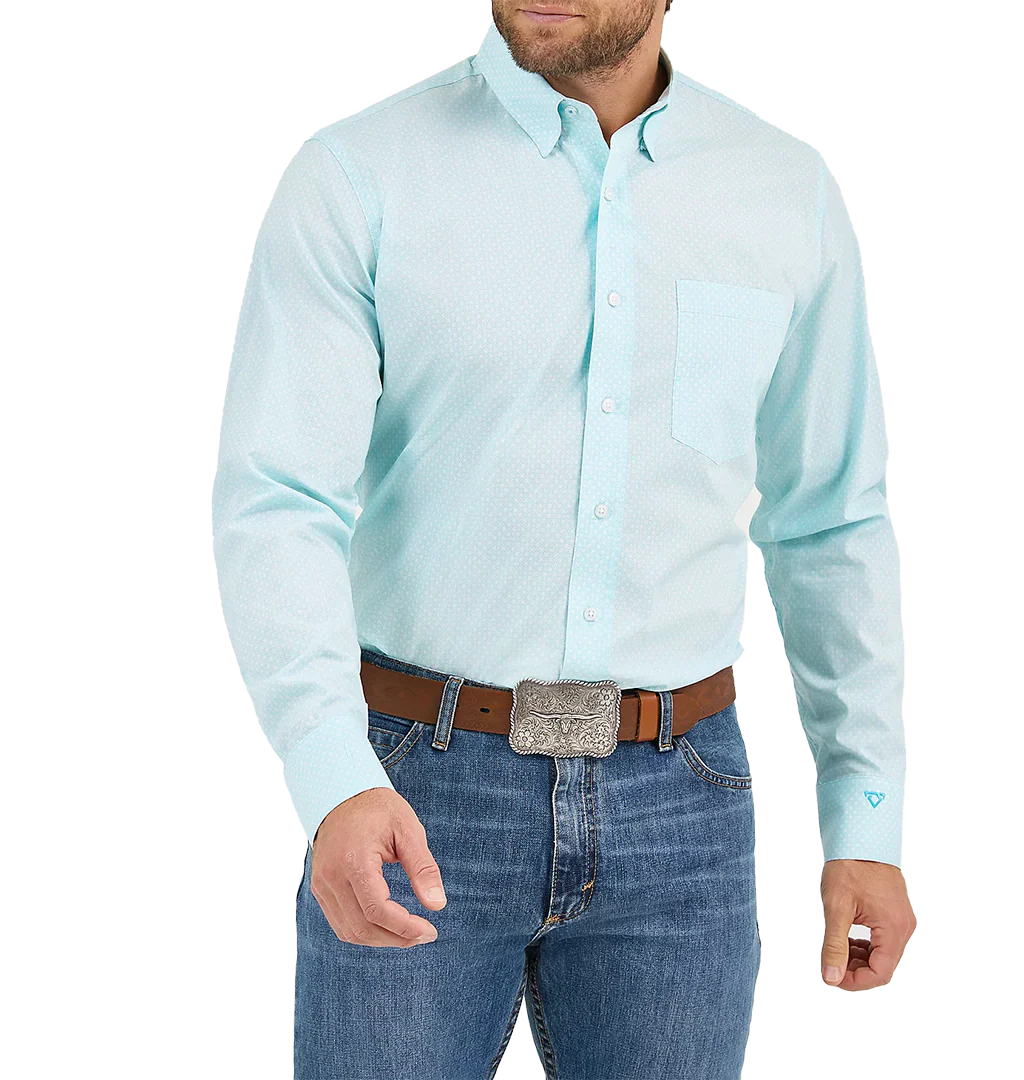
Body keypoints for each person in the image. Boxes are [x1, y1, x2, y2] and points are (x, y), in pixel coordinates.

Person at [211, 2, 917, 1076]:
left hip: (683, 808)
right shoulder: (361, 177)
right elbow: (280, 499)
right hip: (414, 790)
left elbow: (830, 519)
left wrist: (864, 815)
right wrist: (331, 775)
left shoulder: (783, 193)